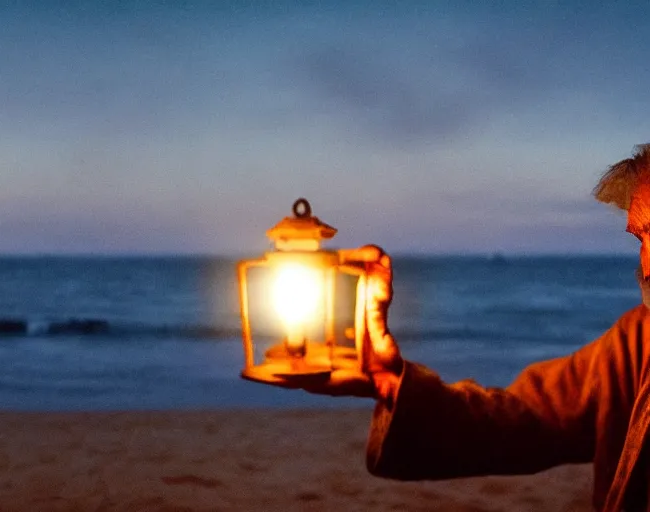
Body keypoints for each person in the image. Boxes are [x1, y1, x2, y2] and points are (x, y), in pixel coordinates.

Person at [274, 144, 650, 512]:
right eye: (641, 239)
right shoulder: (636, 344)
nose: (646, 266)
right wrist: (393, 381)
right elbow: (527, 417)